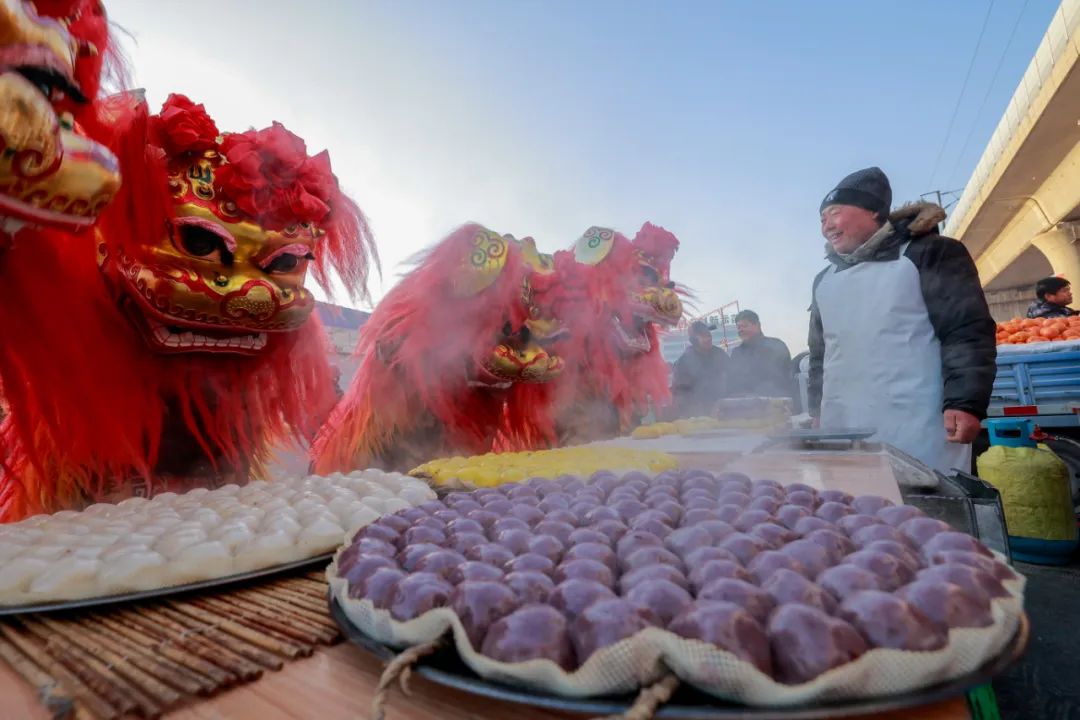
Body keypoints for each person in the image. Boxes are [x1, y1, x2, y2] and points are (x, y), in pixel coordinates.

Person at [808, 167, 997, 474]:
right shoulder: (824, 280)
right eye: (822, 219)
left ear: (873, 212)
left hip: (919, 424)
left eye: (834, 213)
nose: (827, 225)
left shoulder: (929, 253)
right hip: (843, 427)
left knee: (924, 512)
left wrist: (965, 403)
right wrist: (816, 409)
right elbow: (819, 353)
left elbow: (965, 332)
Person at [728, 309, 794, 398]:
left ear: (758, 326)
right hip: (745, 405)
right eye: (739, 327)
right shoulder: (737, 353)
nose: (741, 330)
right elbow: (733, 381)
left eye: (745, 326)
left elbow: (785, 377)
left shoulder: (776, 346)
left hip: (776, 402)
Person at [671, 321, 730, 418]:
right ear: (693, 340)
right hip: (697, 415)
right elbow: (680, 395)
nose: (708, 338)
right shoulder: (683, 362)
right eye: (703, 335)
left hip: (723, 410)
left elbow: (734, 376)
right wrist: (699, 412)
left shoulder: (719, 354)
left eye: (708, 334)